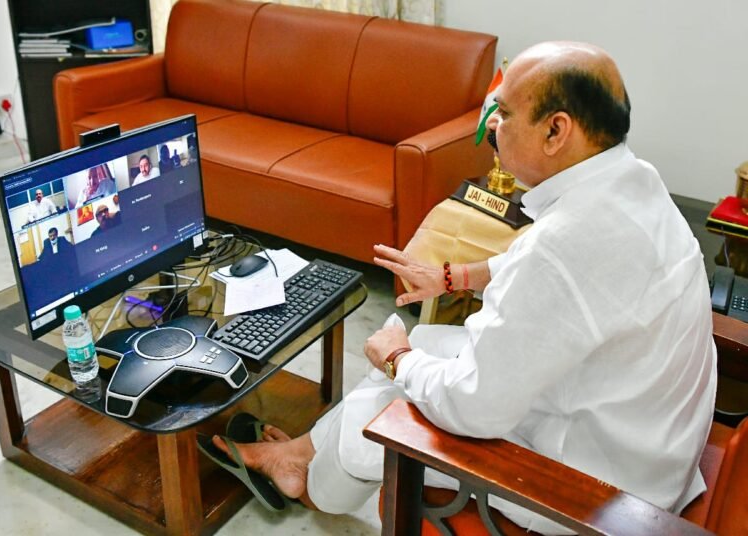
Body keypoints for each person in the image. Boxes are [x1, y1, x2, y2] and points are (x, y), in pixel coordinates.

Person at [205, 41, 717, 534]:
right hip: (645, 438)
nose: (492, 123)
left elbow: (475, 407)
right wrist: (454, 277)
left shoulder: (564, 245)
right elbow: (556, 270)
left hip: (595, 491)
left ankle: (307, 480)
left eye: (505, 112)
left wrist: (397, 360)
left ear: (556, 131)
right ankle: (301, 456)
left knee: (384, 405)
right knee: (427, 343)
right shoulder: (630, 181)